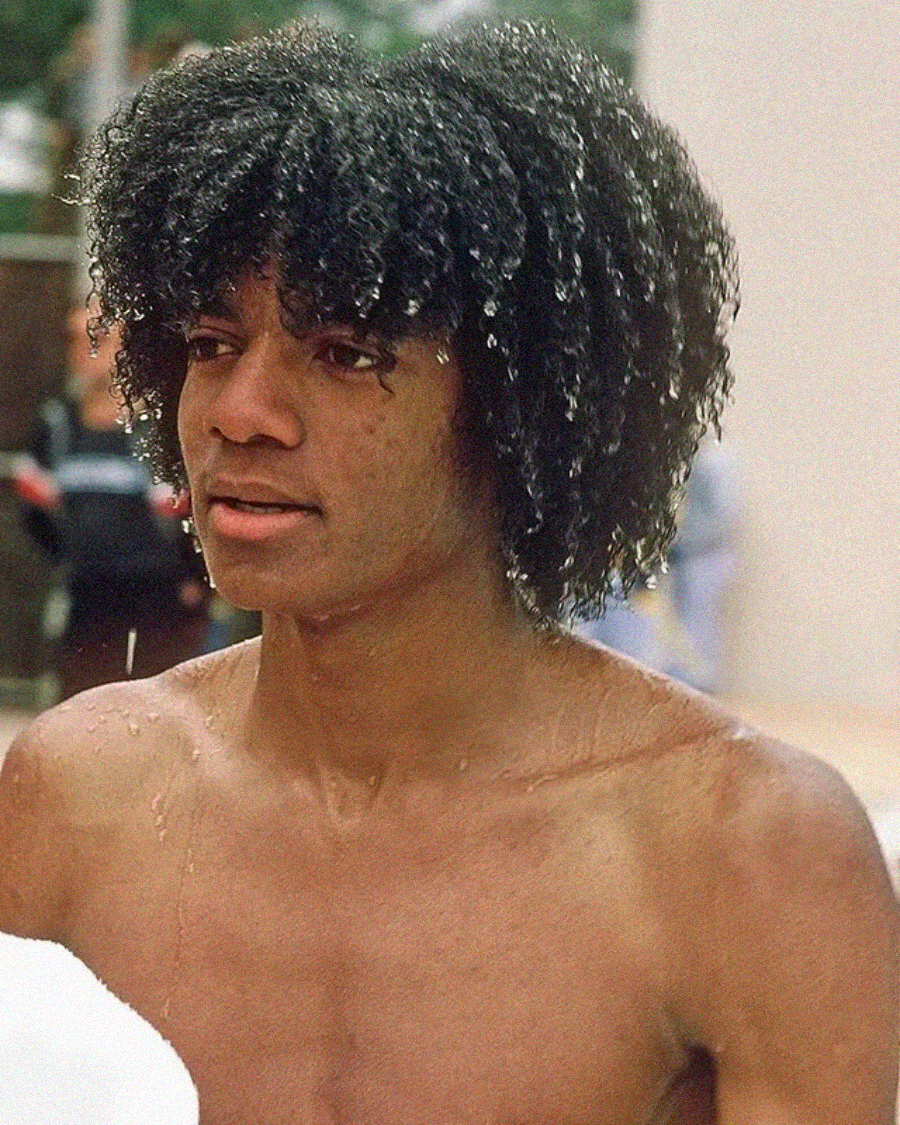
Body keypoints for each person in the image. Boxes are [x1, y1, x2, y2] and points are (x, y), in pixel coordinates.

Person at [1, 22, 896, 1125]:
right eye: (209, 342)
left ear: (518, 406)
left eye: (346, 355)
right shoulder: (76, 796)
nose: (241, 412)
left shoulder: (741, 850)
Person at [18, 306, 208, 698]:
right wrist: (72, 558)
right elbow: (35, 513)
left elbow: (202, 511)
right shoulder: (58, 427)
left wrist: (195, 579)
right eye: (72, 340)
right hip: (88, 598)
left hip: (161, 598)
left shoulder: (164, 430)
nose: (80, 351)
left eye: (96, 340)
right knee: (83, 712)